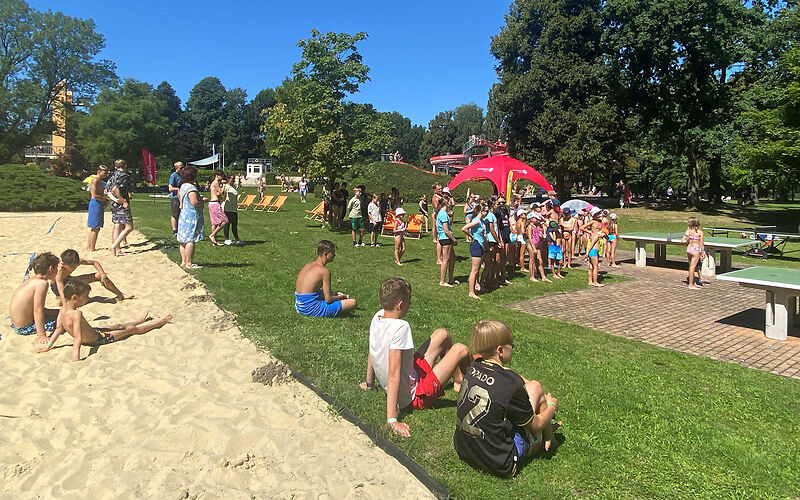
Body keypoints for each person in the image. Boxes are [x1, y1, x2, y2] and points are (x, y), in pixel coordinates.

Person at [359, 277, 471, 437]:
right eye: (409, 300)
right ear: (400, 305)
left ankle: (459, 380)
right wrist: (392, 419)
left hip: (412, 372)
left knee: (442, 335)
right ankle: (476, 386)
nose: (410, 303)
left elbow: (373, 351)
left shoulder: (378, 316)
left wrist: (370, 383)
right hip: (415, 395)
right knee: (460, 350)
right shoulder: (400, 327)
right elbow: (393, 374)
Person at [453, 320, 560, 477]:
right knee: (538, 418)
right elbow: (535, 425)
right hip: (500, 462)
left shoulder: (474, 366)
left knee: (535, 386)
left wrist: (533, 386)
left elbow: (510, 376)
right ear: (500, 350)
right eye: (512, 345)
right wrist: (551, 407)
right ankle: (548, 439)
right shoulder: (511, 385)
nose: (513, 348)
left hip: (464, 449)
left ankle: (549, 435)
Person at [38, 278, 172, 362]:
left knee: (118, 325)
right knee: (130, 330)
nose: (88, 298)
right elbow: (77, 337)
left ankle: (139, 320)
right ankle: (160, 322)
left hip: (94, 332)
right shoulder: (76, 313)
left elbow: (58, 330)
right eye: (85, 296)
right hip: (98, 339)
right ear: (75, 297)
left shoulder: (62, 310)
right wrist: (75, 357)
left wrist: (48, 347)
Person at [294, 240, 357, 317]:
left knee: (335, 293)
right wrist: (342, 297)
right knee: (353, 302)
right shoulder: (324, 271)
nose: (334, 255)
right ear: (326, 254)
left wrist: (335, 295)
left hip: (299, 305)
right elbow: (328, 299)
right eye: (333, 253)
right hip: (310, 309)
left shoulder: (307, 265)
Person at [8, 252, 60, 341]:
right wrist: (42, 335)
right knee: (62, 320)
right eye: (57, 268)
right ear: (50, 269)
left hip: (16, 324)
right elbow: (38, 310)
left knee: (60, 312)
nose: (58, 271)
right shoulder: (42, 284)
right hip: (24, 328)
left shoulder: (31, 280)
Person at [54, 249, 133, 303]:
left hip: (69, 280)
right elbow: (59, 284)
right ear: (64, 264)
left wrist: (102, 274)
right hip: (58, 287)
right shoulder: (60, 270)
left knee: (99, 276)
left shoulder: (76, 261)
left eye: (75, 266)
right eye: (72, 267)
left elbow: (94, 262)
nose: (74, 268)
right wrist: (63, 299)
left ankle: (120, 294)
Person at [177, 165, 206, 269]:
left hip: (183, 214)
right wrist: (202, 201)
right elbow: (194, 202)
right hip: (191, 216)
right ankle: (189, 263)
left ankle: (184, 262)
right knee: (190, 239)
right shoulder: (192, 188)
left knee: (183, 240)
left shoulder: (182, 186)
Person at [107, 159, 133, 257]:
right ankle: (114, 246)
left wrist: (115, 200)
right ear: (125, 166)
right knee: (129, 227)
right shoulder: (124, 175)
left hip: (114, 204)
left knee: (117, 225)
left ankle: (117, 250)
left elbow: (108, 192)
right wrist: (122, 200)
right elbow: (115, 188)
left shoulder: (112, 176)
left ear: (115, 167)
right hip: (121, 204)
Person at [463, 203, 488, 299]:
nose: (487, 212)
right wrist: (472, 236)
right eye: (485, 211)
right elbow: (464, 228)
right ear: (481, 212)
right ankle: (471, 292)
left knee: (476, 270)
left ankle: (475, 288)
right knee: (474, 270)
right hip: (476, 246)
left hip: (481, 246)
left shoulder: (481, 221)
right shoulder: (476, 221)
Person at [86, 164, 109, 252]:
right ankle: (91, 247)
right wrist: (105, 200)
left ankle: (90, 246)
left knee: (96, 227)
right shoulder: (95, 180)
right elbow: (94, 195)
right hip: (95, 204)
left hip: (99, 204)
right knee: (95, 227)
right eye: (105, 172)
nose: (106, 174)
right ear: (99, 172)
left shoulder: (100, 181)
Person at [436, 198, 458, 287]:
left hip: (443, 238)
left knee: (453, 259)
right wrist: (454, 239)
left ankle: (451, 278)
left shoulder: (442, 214)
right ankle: (442, 281)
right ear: (446, 204)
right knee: (446, 260)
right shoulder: (443, 214)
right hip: (446, 238)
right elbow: (446, 230)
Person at [580, 208, 604, 287]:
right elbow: (582, 227)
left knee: (590, 266)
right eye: (598, 213)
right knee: (595, 266)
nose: (599, 215)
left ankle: (590, 281)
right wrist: (589, 231)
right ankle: (595, 281)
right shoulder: (595, 233)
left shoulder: (600, 222)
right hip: (593, 249)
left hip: (595, 249)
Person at [682, 217, 705, 290]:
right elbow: (702, 244)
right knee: (692, 268)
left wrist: (687, 239)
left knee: (691, 267)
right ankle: (691, 284)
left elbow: (683, 241)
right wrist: (702, 253)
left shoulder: (688, 231)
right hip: (695, 250)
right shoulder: (700, 232)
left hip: (689, 249)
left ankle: (693, 282)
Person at [207, 170, 229, 246]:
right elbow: (220, 192)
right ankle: (212, 235)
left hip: (212, 203)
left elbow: (217, 193)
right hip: (215, 203)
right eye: (221, 175)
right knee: (225, 220)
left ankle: (214, 242)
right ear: (217, 175)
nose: (222, 177)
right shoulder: (216, 183)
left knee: (214, 223)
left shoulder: (213, 183)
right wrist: (224, 185)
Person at [222, 174, 243, 246]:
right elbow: (233, 193)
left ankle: (237, 239)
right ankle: (226, 239)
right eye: (232, 179)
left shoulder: (232, 187)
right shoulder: (226, 187)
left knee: (234, 225)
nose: (233, 180)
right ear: (228, 179)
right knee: (227, 224)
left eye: (234, 178)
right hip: (227, 208)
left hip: (233, 208)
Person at [168, 161, 184, 238]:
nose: (183, 169)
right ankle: (175, 230)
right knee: (175, 214)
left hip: (182, 197)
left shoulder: (183, 175)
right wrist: (178, 189)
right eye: (181, 168)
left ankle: (181, 229)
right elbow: (170, 188)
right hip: (175, 198)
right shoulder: (173, 176)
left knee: (182, 214)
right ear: (176, 168)